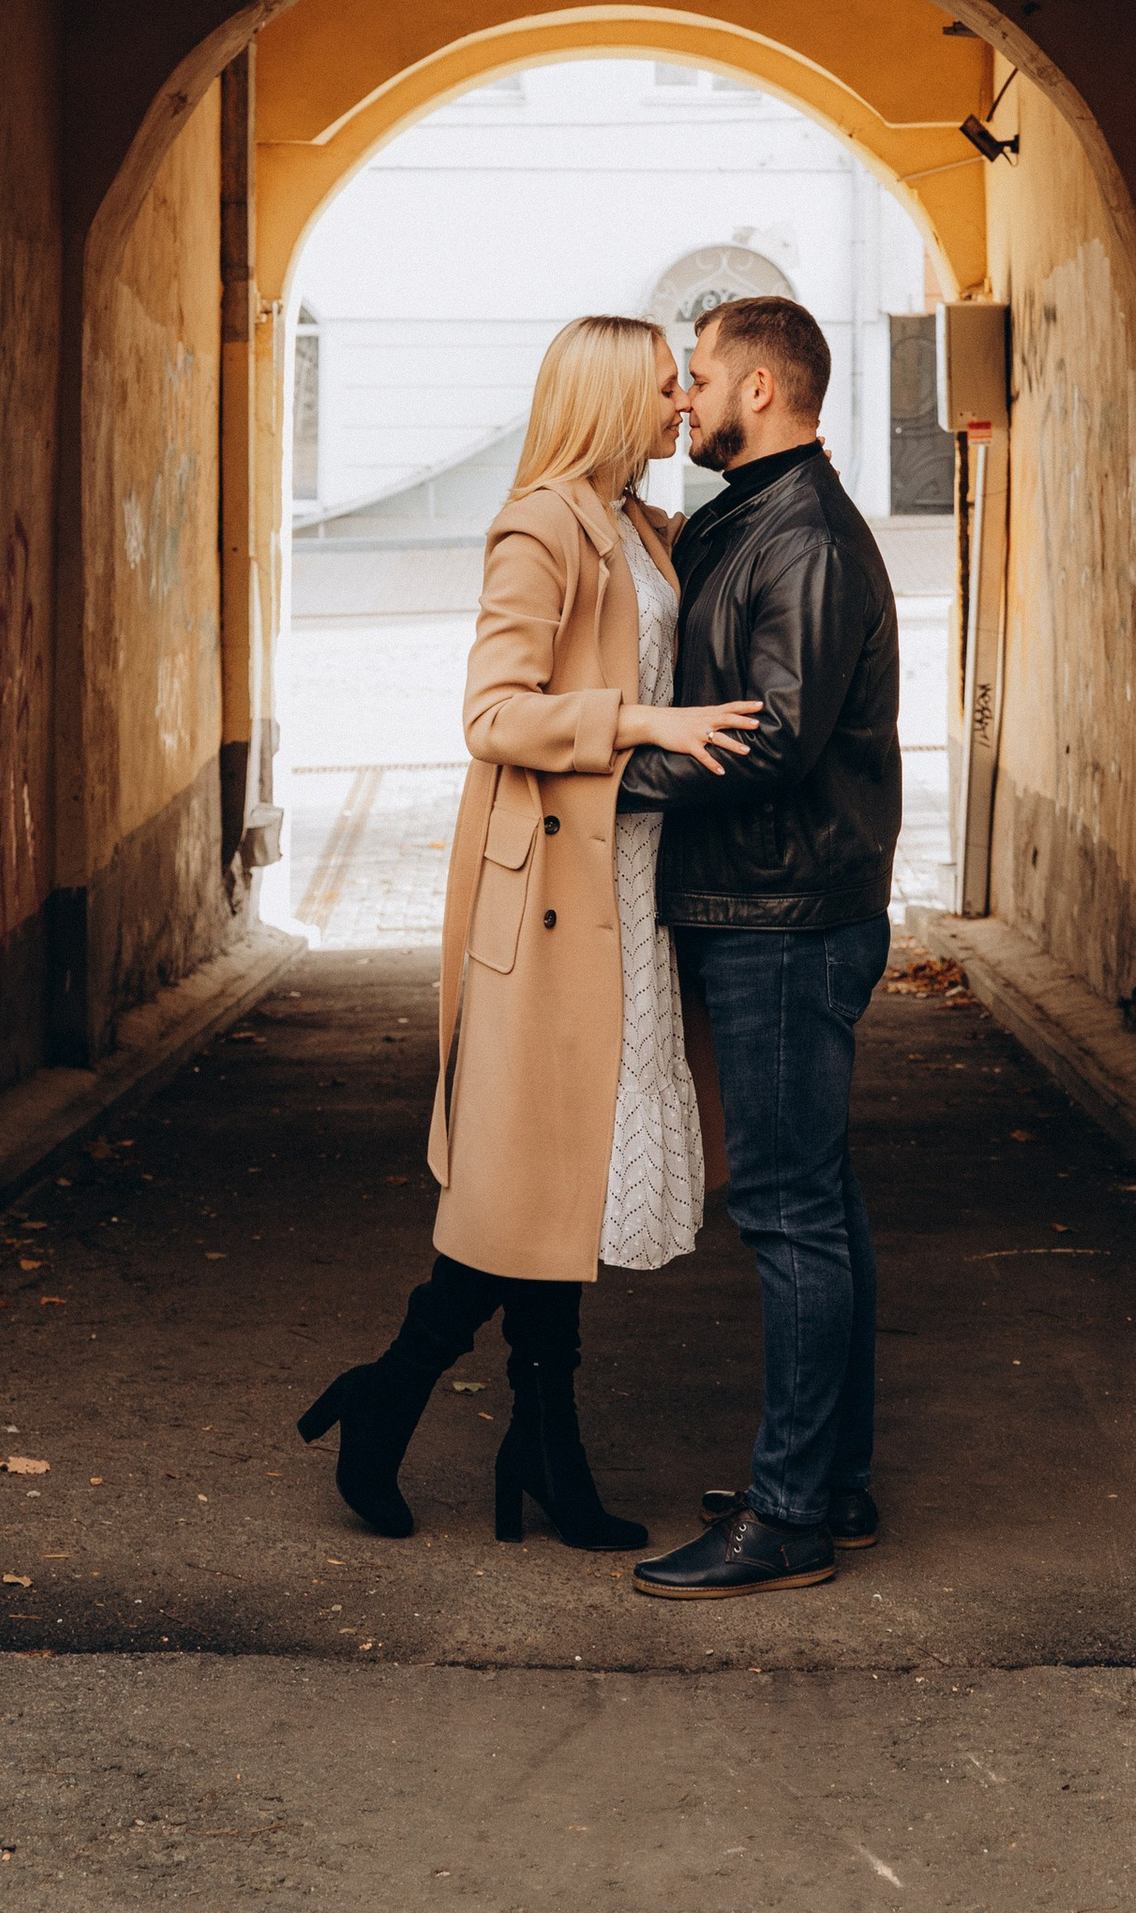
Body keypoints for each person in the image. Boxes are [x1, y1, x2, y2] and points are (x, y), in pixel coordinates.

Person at [297, 314, 762, 1545]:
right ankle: (422, 1403)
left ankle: (513, 1436)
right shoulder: (539, 525)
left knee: (563, 1180)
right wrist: (642, 723)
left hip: (627, 881)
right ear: (607, 397)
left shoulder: (640, 525)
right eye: (663, 387)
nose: (681, 403)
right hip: (549, 898)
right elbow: (493, 714)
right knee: (534, 1180)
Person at [618, 293, 902, 1600]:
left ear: (762, 390)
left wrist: (617, 785)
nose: (684, 397)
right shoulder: (750, 516)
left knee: (788, 1212)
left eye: (700, 376)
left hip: (786, 918)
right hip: (770, 906)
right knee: (816, 1202)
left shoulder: (807, 538)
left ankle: (788, 1519)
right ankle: (828, 1485)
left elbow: (776, 734)